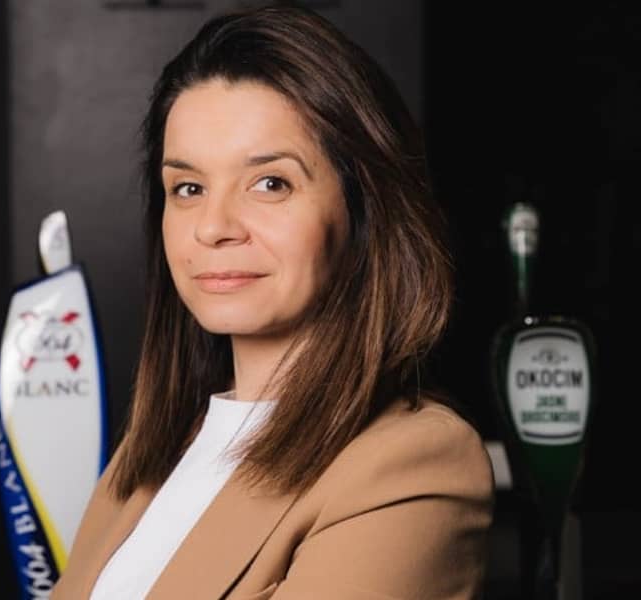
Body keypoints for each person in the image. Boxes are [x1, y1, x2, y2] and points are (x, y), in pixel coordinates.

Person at [51, 4, 494, 599]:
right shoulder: (151, 452)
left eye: (270, 183)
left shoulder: (413, 464)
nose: (213, 226)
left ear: (363, 211)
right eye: (188, 187)